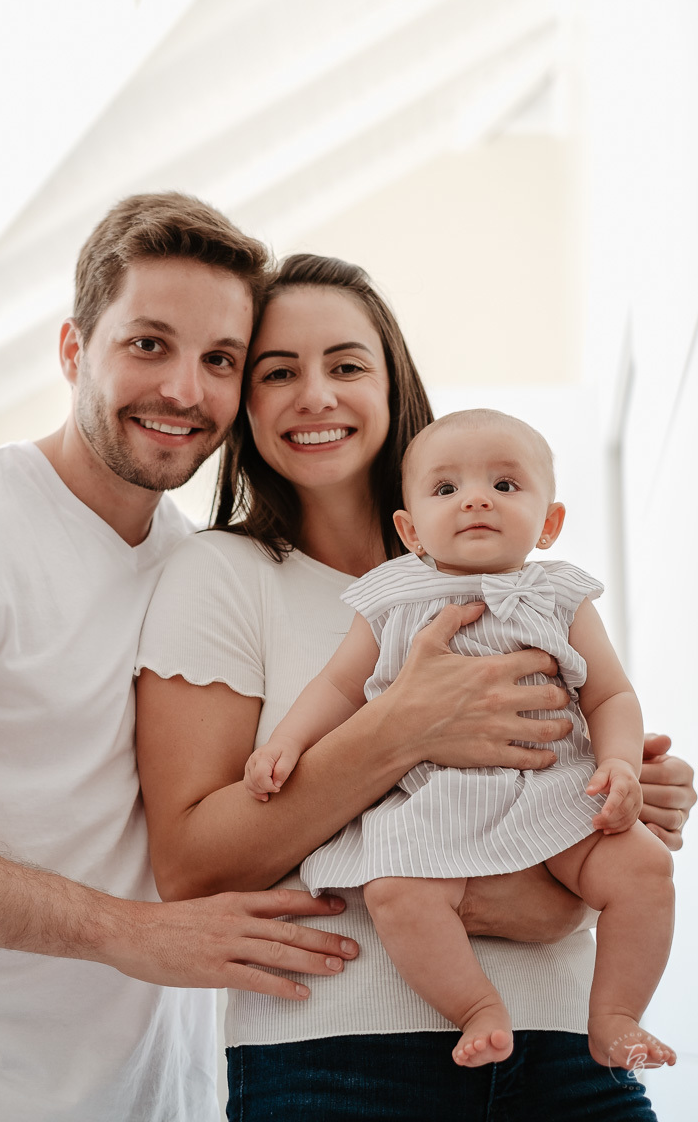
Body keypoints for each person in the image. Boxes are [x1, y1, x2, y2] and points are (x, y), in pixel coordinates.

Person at [135, 253, 694, 1121]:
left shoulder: (524, 582)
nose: (316, 395)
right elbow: (193, 870)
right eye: (278, 372)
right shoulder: (223, 575)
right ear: (245, 402)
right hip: (339, 1063)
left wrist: (631, 787)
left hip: (572, 1049)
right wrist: (406, 727)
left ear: (394, 386)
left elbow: (587, 765)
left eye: (348, 365)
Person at [0, 195, 368, 1122]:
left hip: (174, 1098)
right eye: (148, 344)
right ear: (75, 349)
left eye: (220, 360)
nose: (186, 392)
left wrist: (587, 764)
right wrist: (130, 934)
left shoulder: (199, 567)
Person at [244, 407, 675, 1071]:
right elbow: (336, 689)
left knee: (646, 868)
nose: (476, 498)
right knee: (397, 894)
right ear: (411, 529)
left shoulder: (562, 597)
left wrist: (619, 762)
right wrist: (285, 744)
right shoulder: (391, 596)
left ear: (550, 522)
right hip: (433, 800)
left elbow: (611, 693)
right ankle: (475, 1006)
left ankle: (615, 1015)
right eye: (447, 489)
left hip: (555, 790)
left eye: (505, 485)